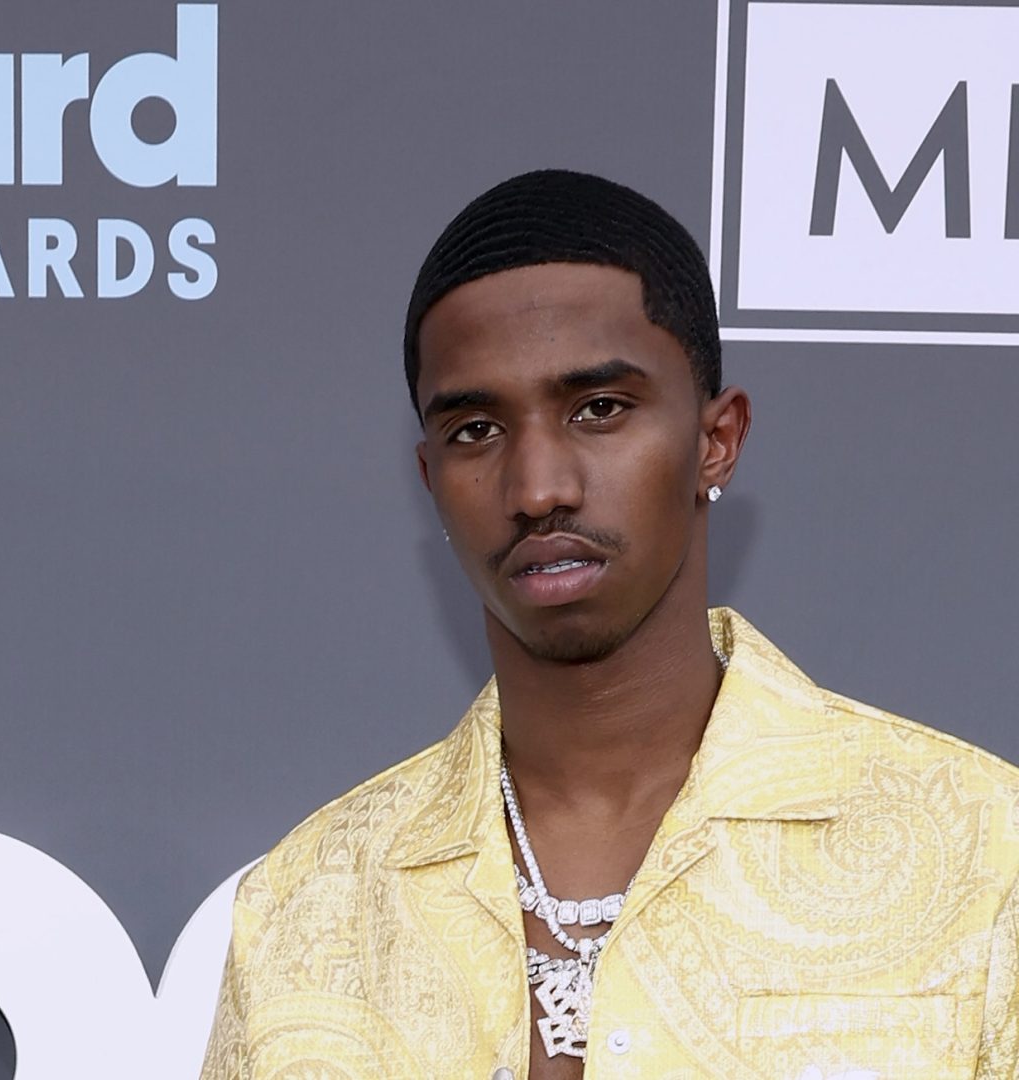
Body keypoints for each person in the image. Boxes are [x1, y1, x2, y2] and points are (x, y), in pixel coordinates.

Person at [199, 169, 1019, 1079]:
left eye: (599, 410)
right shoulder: (309, 906)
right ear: (430, 481)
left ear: (717, 440)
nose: (538, 487)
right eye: (476, 429)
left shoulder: (986, 856)